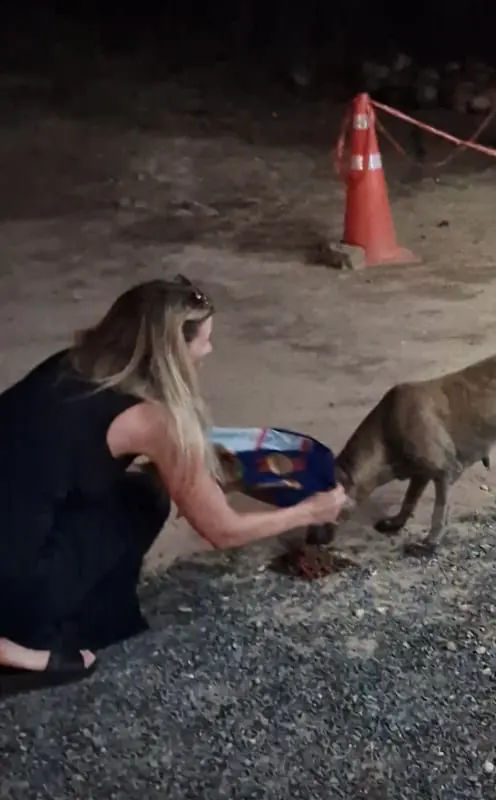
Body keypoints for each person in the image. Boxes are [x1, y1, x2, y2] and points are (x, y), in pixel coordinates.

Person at [0, 274, 348, 697]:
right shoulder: (153, 421)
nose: (209, 350)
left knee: (129, 485)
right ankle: (23, 645)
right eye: (204, 339)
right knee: (146, 497)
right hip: (9, 581)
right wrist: (311, 511)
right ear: (171, 350)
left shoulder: (71, 363)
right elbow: (222, 530)